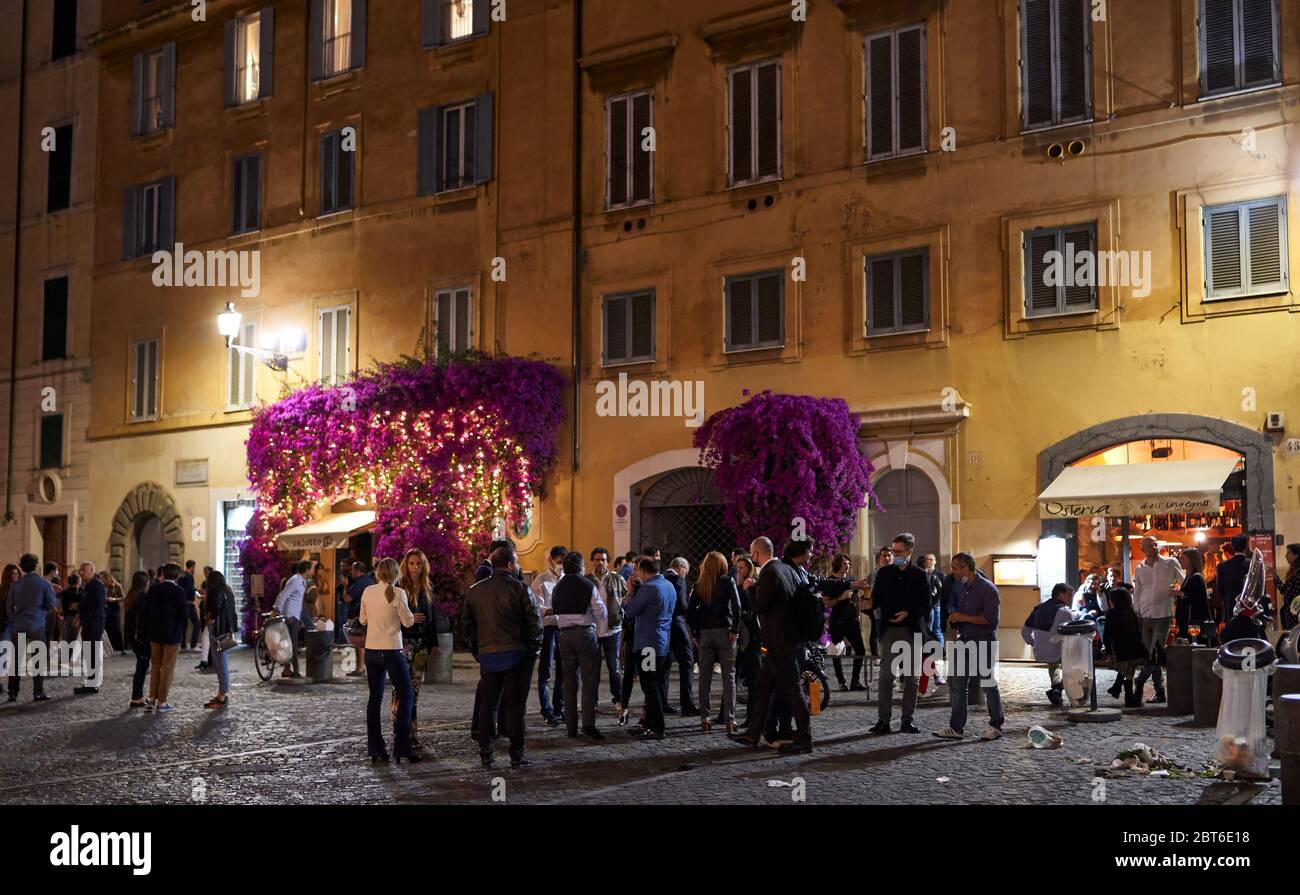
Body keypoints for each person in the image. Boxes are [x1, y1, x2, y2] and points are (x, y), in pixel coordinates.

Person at [726, 538, 812, 754]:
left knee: (793, 690)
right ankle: (753, 733)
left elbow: (760, 606)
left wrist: (749, 589)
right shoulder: (785, 569)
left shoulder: (770, 572)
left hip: (779, 642)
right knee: (763, 689)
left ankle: (804, 738)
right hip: (783, 640)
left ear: (755, 553)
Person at [463, 545, 543, 768]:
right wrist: (534, 651)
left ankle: (486, 752)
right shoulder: (520, 589)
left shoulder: (475, 590)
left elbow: (467, 624)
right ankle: (516, 754)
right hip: (517, 655)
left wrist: (477, 650)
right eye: (516, 563)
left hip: (489, 655)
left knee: (488, 706)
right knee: (516, 708)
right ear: (510, 565)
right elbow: (534, 623)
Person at [934, 552, 1005, 741]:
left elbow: (991, 621)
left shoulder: (988, 589)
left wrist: (963, 617)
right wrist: (955, 617)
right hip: (963, 639)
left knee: (988, 684)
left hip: (983, 640)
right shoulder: (963, 587)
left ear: (966, 568)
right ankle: (956, 727)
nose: (952, 572)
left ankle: (996, 725)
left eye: (955, 568)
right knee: (957, 686)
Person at [869, 533, 930, 735]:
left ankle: (907, 720)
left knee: (911, 678)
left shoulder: (921, 575)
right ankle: (883, 721)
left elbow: (926, 606)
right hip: (889, 631)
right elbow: (875, 600)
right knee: (886, 676)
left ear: (909, 552)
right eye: (893, 551)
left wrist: (908, 613)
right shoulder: (884, 573)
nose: (894, 555)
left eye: (898, 551)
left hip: (912, 630)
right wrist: (865, 603)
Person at [358, 558, 418, 763]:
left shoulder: (368, 592)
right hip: (392, 650)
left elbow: (362, 620)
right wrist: (412, 615)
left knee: (374, 699)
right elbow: (408, 622)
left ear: (377, 573)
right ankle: (402, 748)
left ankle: (376, 749)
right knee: (406, 697)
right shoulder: (399, 594)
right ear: (396, 574)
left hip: (372, 650)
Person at [552, 551, 606, 739]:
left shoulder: (558, 586)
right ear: (581, 566)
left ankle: (571, 726)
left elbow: (555, 608)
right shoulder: (587, 584)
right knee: (589, 681)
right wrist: (600, 630)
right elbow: (601, 611)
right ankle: (588, 724)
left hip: (564, 636)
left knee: (569, 683)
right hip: (584, 634)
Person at [623, 555, 676, 740]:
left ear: (644, 571)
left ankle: (657, 727)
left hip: (647, 646)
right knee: (656, 685)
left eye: (637, 570)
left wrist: (630, 592)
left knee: (650, 687)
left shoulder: (648, 588)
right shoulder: (668, 585)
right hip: (662, 643)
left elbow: (630, 612)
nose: (635, 573)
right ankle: (647, 724)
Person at [689, 550, 742, 733]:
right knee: (729, 676)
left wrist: (696, 633)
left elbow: (690, 611)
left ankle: (705, 718)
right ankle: (730, 719)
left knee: (704, 678)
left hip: (705, 633)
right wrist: (735, 629)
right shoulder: (727, 581)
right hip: (725, 632)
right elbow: (737, 606)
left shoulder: (699, 584)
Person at [1132, 535, 1184, 704]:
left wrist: (1176, 592)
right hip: (1145, 614)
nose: (1153, 548)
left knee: (1155, 652)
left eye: (1154, 545)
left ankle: (1140, 680)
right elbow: (1137, 592)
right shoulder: (1140, 569)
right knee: (1150, 654)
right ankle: (1160, 691)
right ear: (1143, 549)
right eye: (1148, 545)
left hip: (1163, 614)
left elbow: (1184, 582)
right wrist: (1136, 611)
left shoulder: (1170, 563)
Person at [397, 549, 439, 754]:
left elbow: (431, 619)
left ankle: (412, 734)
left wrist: (435, 644)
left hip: (421, 644)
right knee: (400, 690)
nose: (415, 567)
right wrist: (411, 618)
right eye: (412, 563)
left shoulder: (426, 588)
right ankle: (400, 733)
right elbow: (393, 617)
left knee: (414, 691)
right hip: (403, 643)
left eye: (419, 564)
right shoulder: (399, 588)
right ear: (406, 565)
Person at [6, 554, 57, 703]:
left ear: (22, 567)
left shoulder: (16, 584)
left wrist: (14, 619)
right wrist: (42, 612)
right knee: (38, 659)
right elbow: (51, 604)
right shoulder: (44, 584)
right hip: (37, 624)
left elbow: (9, 606)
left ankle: (13, 693)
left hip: (19, 624)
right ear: (36, 566)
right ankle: (38, 692)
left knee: (16, 660)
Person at [144, 563, 190, 713]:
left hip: (155, 634)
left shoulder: (153, 589)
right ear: (177, 576)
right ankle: (162, 702)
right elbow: (184, 614)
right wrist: (181, 629)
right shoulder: (179, 591)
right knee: (167, 668)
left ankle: (151, 698)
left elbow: (146, 610)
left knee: (155, 666)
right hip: (172, 634)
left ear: (163, 574)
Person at [1020, 583, 1075, 706]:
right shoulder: (1065, 611)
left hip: (1041, 650)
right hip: (1060, 650)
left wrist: (1033, 643)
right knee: (1073, 670)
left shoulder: (1038, 609)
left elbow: (1024, 631)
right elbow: (1072, 634)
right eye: (1069, 595)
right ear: (1060, 594)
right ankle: (1058, 689)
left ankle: (1056, 691)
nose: (1071, 598)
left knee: (1054, 666)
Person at [585, 547, 625, 712]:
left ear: (608, 561)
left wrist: (621, 613)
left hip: (612, 630)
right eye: (597, 559)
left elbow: (626, 597)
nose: (600, 562)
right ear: (592, 560)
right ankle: (592, 701)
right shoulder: (586, 580)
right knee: (592, 669)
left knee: (614, 667)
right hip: (592, 630)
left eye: (603, 559)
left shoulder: (618, 579)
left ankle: (618, 699)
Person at [531, 545, 567, 726]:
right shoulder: (541, 581)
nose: (561, 565)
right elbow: (537, 607)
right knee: (545, 670)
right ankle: (547, 710)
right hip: (548, 629)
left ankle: (559, 708)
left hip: (564, 628)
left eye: (563, 562)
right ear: (551, 560)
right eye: (559, 562)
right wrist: (554, 610)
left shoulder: (567, 580)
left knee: (563, 670)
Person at [823, 552, 867, 692]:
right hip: (837, 621)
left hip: (851, 621)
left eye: (848, 564)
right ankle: (841, 682)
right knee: (837, 652)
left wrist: (858, 613)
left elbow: (856, 599)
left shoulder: (851, 579)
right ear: (837, 564)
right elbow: (826, 603)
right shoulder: (829, 581)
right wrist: (840, 599)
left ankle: (855, 681)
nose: (847, 566)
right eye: (843, 563)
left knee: (860, 650)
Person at [663, 556, 699, 716]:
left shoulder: (662, 579)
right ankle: (687, 704)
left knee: (665, 665)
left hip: (664, 627)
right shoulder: (678, 579)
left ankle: (662, 702)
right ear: (681, 567)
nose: (685, 574)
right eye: (686, 571)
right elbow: (682, 605)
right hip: (677, 625)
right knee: (687, 661)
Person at [1103, 587, 1147, 707]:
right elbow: (1140, 633)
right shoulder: (1135, 614)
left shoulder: (1111, 615)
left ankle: (1121, 691)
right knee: (1129, 671)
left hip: (1122, 650)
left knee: (1126, 670)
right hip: (1137, 650)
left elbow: (1107, 636)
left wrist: (1109, 652)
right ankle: (1124, 693)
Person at [203, 570, 238, 708]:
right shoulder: (227, 591)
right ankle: (221, 693)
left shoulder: (216, 591)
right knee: (220, 661)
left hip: (217, 628)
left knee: (220, 662)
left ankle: (222, 695)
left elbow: (216, 608)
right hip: (225, 628)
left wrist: (210, 618)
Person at [74, 562, 107, 695]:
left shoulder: (97, 586)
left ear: (92, 571)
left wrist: (80, 606)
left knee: (92, 654)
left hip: (94, 624)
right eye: (80, 570)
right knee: (88, 654)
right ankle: (90, 681)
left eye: (84, 570)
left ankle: (92, 684)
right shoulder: (87, 586)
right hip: (89, 623)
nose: (81, 572)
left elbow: (97, 605)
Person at [274, 560, 309, 679]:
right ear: (307, 570)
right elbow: (284, 594)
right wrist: (277, 610)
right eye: (312, 569)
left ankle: (287, 669)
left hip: (295, 615)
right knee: (293, 644)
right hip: (291, 616)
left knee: (290, 644)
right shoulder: (295, 580)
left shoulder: (302, 581)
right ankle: (296, 671)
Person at [121, 571, 152, 707]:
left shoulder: (131, 596)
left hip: (134, 637)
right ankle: (136, 696)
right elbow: (145, 619)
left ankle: (137, 695)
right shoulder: (142, 597)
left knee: (141, 666)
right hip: (142, 637)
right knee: (142, 667)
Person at [733, 554, 761, 697]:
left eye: (742, 567)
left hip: (750, 632)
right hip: (740, 632)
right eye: (737, 567)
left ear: (749, 569)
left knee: (752, 670)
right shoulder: (737, 584)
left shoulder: (751, 584)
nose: (739, 570)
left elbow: (753, 607)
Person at [1174, 546, 1212, 643]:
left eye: (1183, 558)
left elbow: (1194, 599)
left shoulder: (1196, 577)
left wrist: (1177, 593)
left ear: (1191, 560)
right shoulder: (1189, 576)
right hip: (1188, 622)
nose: (1179, 561)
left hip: (1194, 624)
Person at [344, 561, 375, 676]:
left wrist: (345, 586)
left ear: (357, 570)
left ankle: (360, 668)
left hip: (358, 615)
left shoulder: (358, 583)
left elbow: (347, 598)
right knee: (367, 641)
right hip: (370, 614)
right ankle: (365, 667)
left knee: (358, 641)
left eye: (352, 569)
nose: (351, 572)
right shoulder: (370, 581)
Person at [1214, 534, 1252, 626]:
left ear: (1233, 546)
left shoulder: (1223, 566)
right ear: (1246, 546)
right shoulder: (1252, 565)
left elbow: (1220, 591)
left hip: (1230, 609)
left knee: (1233, 638)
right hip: (1249, 610)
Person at [1275, 543, 1300, 631]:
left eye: (1288, 553)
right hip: (1289, 614)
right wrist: (1275, 577)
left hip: (1295, 615)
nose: (1286, 556)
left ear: (1296, 555)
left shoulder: (1298, 574)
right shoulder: (1292, 571)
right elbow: (1283, 590)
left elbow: (1289, 593)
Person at [0, 563, 19, 642]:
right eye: (14, 574)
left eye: (17, 573)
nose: (17, 575)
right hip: (5, 624)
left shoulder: (19, 589)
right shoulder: (2, 590)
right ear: (8, 575)